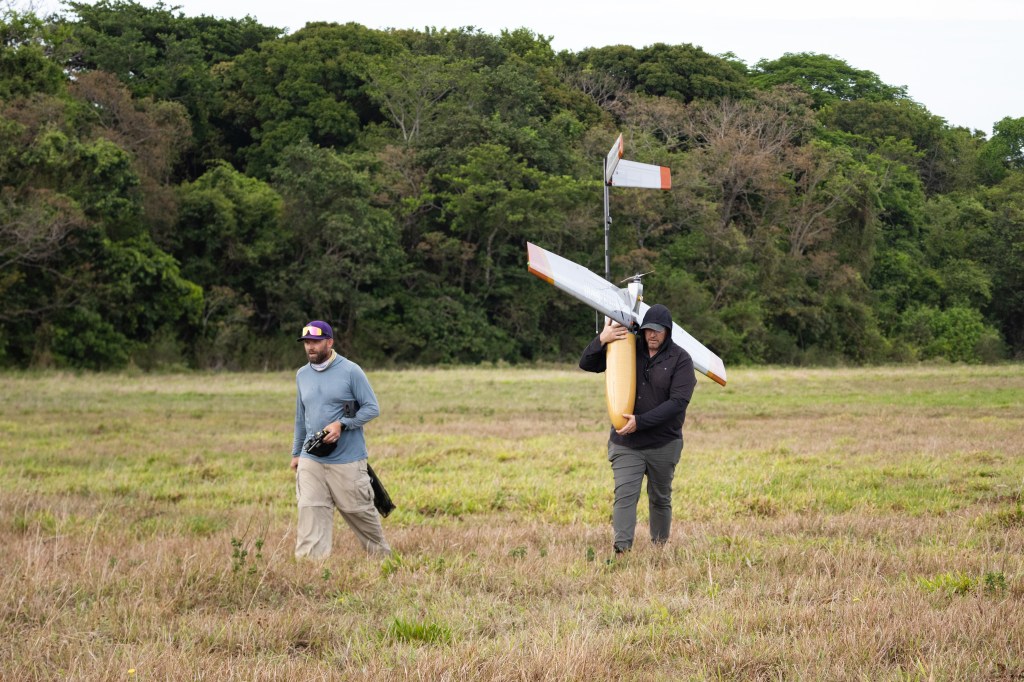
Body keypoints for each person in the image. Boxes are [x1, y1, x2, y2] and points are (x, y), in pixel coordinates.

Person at [579, 304, 697, 554]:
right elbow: (587, 364)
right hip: (626, 443)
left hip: (664, 443)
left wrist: (640, 422)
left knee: (660, 498)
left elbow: (677, 403)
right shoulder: (626, 350)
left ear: (668, 332)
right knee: (625, 496)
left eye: (658, 331)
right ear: (642, 331)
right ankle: (621, 550)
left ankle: (660, 548)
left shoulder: (681, 360)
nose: (652, 335)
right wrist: (602, 339)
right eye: (648, 331)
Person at [291, 320, 391, 559]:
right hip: (311, 456)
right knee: (310, 510)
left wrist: (342, 424)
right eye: (306, 342)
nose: (310, 347)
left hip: (347, 458)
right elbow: (300, 416)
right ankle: (310, 571)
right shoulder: (302, 375)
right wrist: (296, 453)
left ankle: (383, 561)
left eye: (315, 342)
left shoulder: (350, 371)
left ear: (329, 342)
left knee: (358, 512)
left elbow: (371, 408)